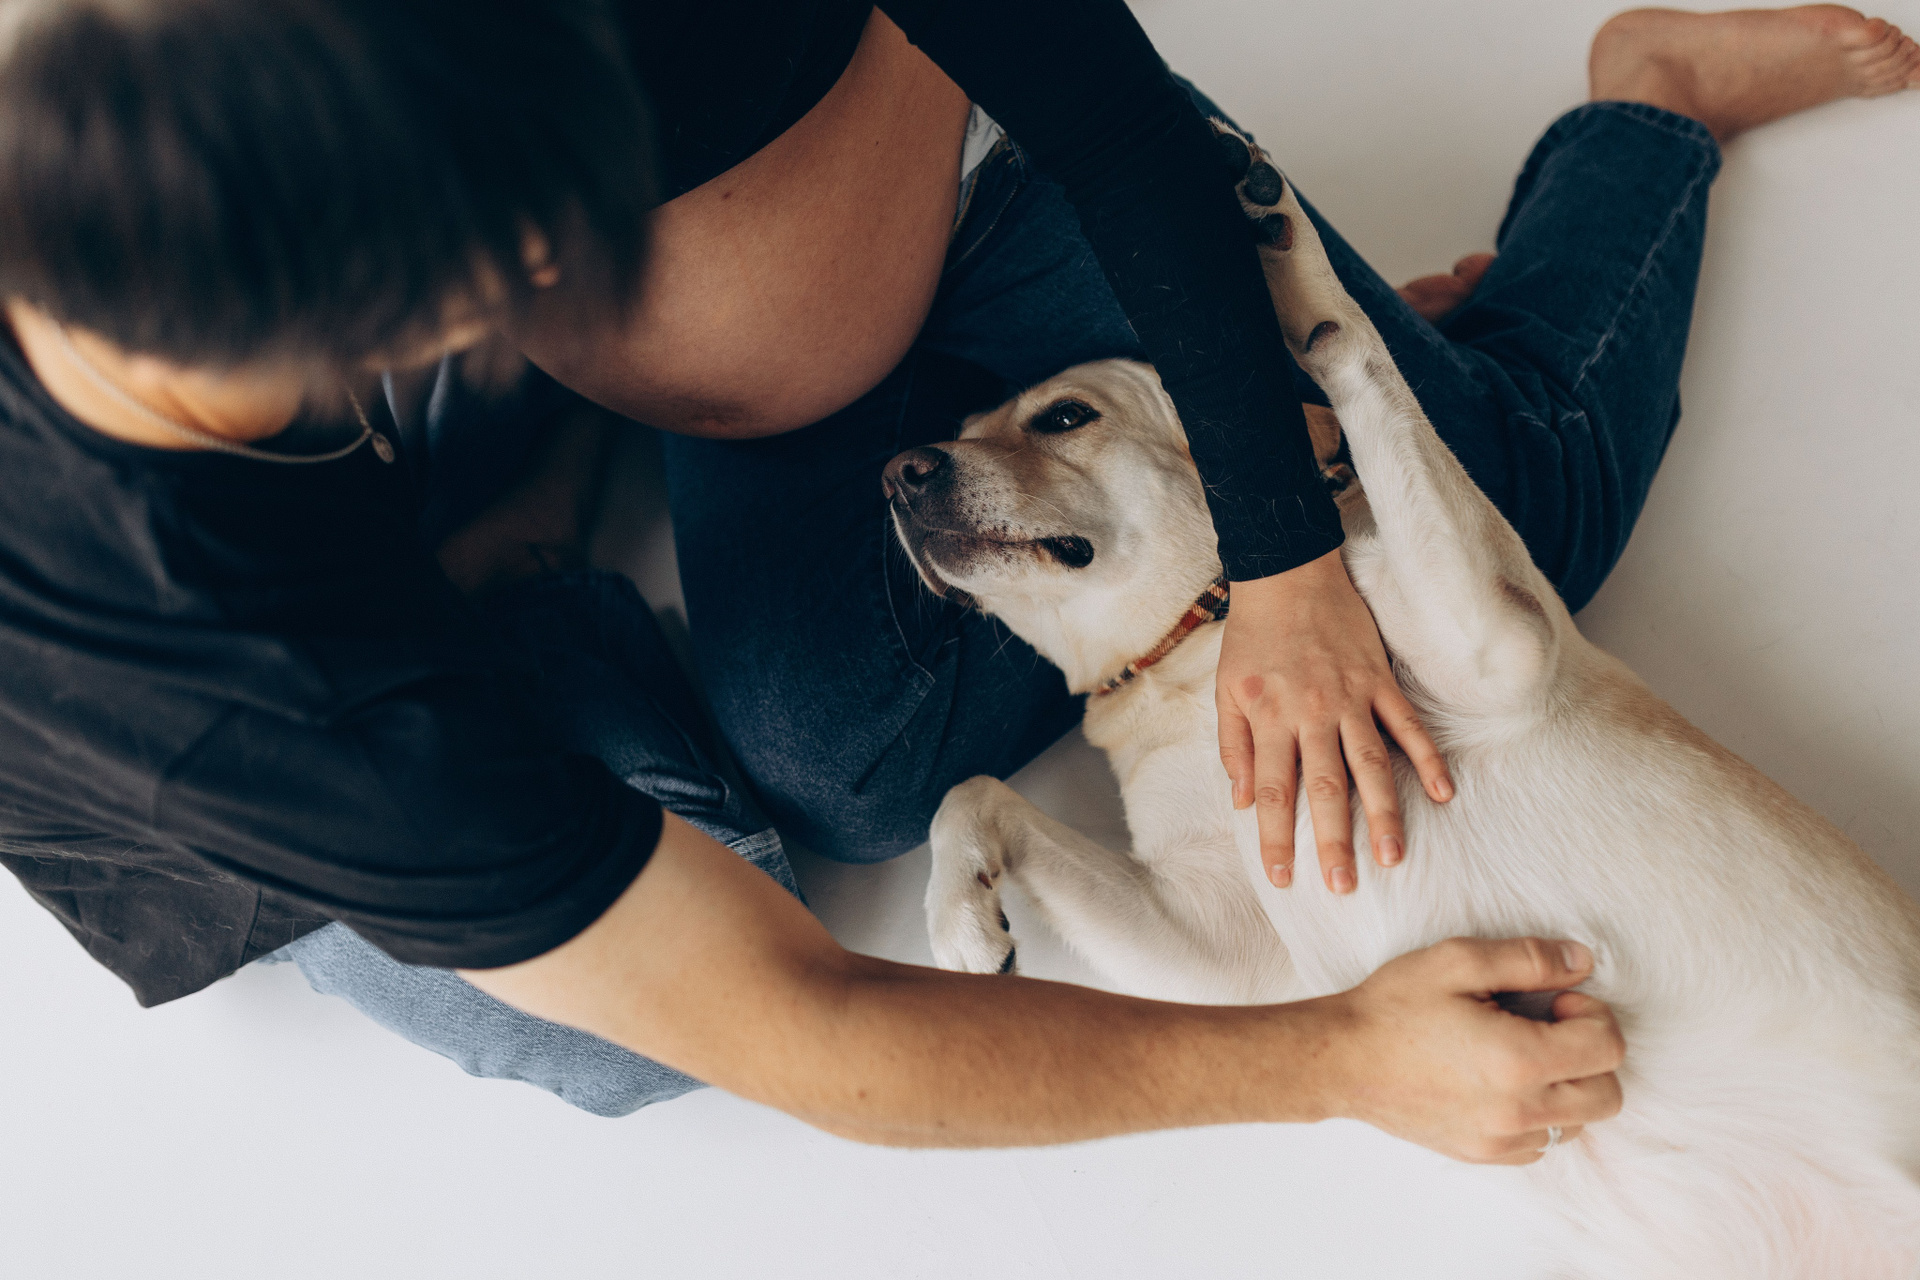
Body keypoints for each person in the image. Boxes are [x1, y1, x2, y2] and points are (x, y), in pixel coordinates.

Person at [0, 0, 1912, 1158]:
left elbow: (1108, 109)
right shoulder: (287, 712)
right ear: (415, 323)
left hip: (988, 210)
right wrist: (1338, 1060)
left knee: (1499, 533)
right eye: (556, 254)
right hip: (236, 756)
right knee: (710, 933)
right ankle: (1238, 400)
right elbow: (804, 1026)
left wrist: (1284, 540)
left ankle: (1611, 140)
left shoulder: (118, 110)